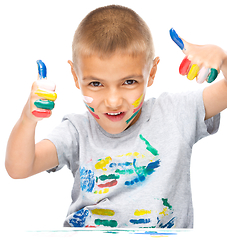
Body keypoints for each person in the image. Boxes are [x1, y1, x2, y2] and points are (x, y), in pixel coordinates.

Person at [5, 5, 227, 228]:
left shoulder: (176, 113)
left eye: (129, 82)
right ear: (75, 76)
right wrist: (28, 119)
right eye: (96, 83)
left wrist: (222, 58)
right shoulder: (77, 131)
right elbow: (19, 168)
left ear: (151, 72)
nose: (113, 101)